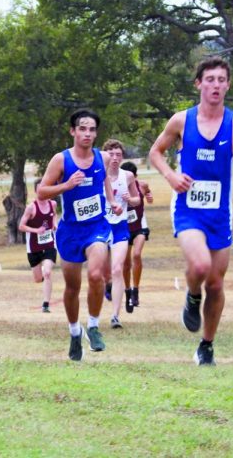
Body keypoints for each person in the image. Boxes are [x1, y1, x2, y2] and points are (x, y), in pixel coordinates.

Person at [148, 57, 233, 366]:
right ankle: (191, 296)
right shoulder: (181, 121)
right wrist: (171, 176)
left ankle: (207, 345)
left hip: (219, 213)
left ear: (228, 85)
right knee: (199, 267)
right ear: (199, 84)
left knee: (215, 283)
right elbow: (155, 153)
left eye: (221, 80)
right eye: (209, 79)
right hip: (188, 208)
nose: (215, 85)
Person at [38, 109, 122, 361]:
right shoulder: (61, 161)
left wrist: (111, 200)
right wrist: (66, 185)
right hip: (70, 232)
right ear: (73, 131)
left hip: (97, 227)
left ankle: (94, 326)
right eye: (83, 128)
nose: (88, 133)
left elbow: (105, 179)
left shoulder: (103, 157)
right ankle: (75, 332)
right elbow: (42, 192)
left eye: (92, 129)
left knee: (97, 275)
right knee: (72, 287)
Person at [102, 140, 141, 329]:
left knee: (117, 268)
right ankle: (106, 285)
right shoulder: (97, 174)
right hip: (100, 227)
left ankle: (115, 316)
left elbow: (136, 200)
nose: (115, 158)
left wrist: (129, 199)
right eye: (111, 154)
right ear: (105, 155)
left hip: (120, 227)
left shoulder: (128, 176)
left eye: (118, 154)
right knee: (101, 273)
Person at [19, 178, 59, 313]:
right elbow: (21, 226)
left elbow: (54, 216)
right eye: (39, 189)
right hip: (34, 247)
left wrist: (55, 224)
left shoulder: (52, 204)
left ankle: (46, 304)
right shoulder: (31, 207)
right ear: (36, 191)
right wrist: (36, 230)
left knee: (47, 272)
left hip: (49, 244)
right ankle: (43, 278)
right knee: (38, 279)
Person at [120, 161, 153, 313]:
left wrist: (149, 195)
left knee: (137, 255)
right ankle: (127, 291)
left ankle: (136, 290)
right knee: (126, 264)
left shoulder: (142, 184)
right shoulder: (118, 187)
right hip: (125, 229)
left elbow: (147, 192)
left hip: (140, 226)